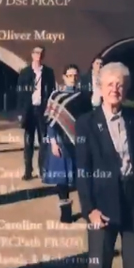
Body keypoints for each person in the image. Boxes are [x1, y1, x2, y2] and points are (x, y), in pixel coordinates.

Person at [75, 62, 134, 268]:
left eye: (120, 85)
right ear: (101, 88)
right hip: (102, 207)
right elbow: (82, 170)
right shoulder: (86, 123)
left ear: (126, 89)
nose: (115, 89)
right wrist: (89, 209)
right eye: (110, 84)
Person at [41, 64, 92, 223]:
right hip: (61, 142)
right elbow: (50, 123)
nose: (73, 78)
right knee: (61, 179)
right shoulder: (55, 96)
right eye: (69, 75)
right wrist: (53, 143)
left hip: (78, 142)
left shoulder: (84, 96)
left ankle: (87, 211)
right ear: (63, 77)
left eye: (75, 76)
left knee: (81, 179)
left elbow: (88, 120)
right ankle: (65, 214)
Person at [16, 45, 56, 180]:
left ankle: (42, 169)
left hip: (42, 110)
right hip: (29, 110)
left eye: (41, 53)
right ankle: (28, 170)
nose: (38, 55)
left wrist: (50, 111)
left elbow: (52, 93)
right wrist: (20, 112)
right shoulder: (25, 72)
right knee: (28, 141)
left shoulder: (49, 73)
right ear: (32, 55)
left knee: (43, 141)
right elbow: (20, 93)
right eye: (36, 53)